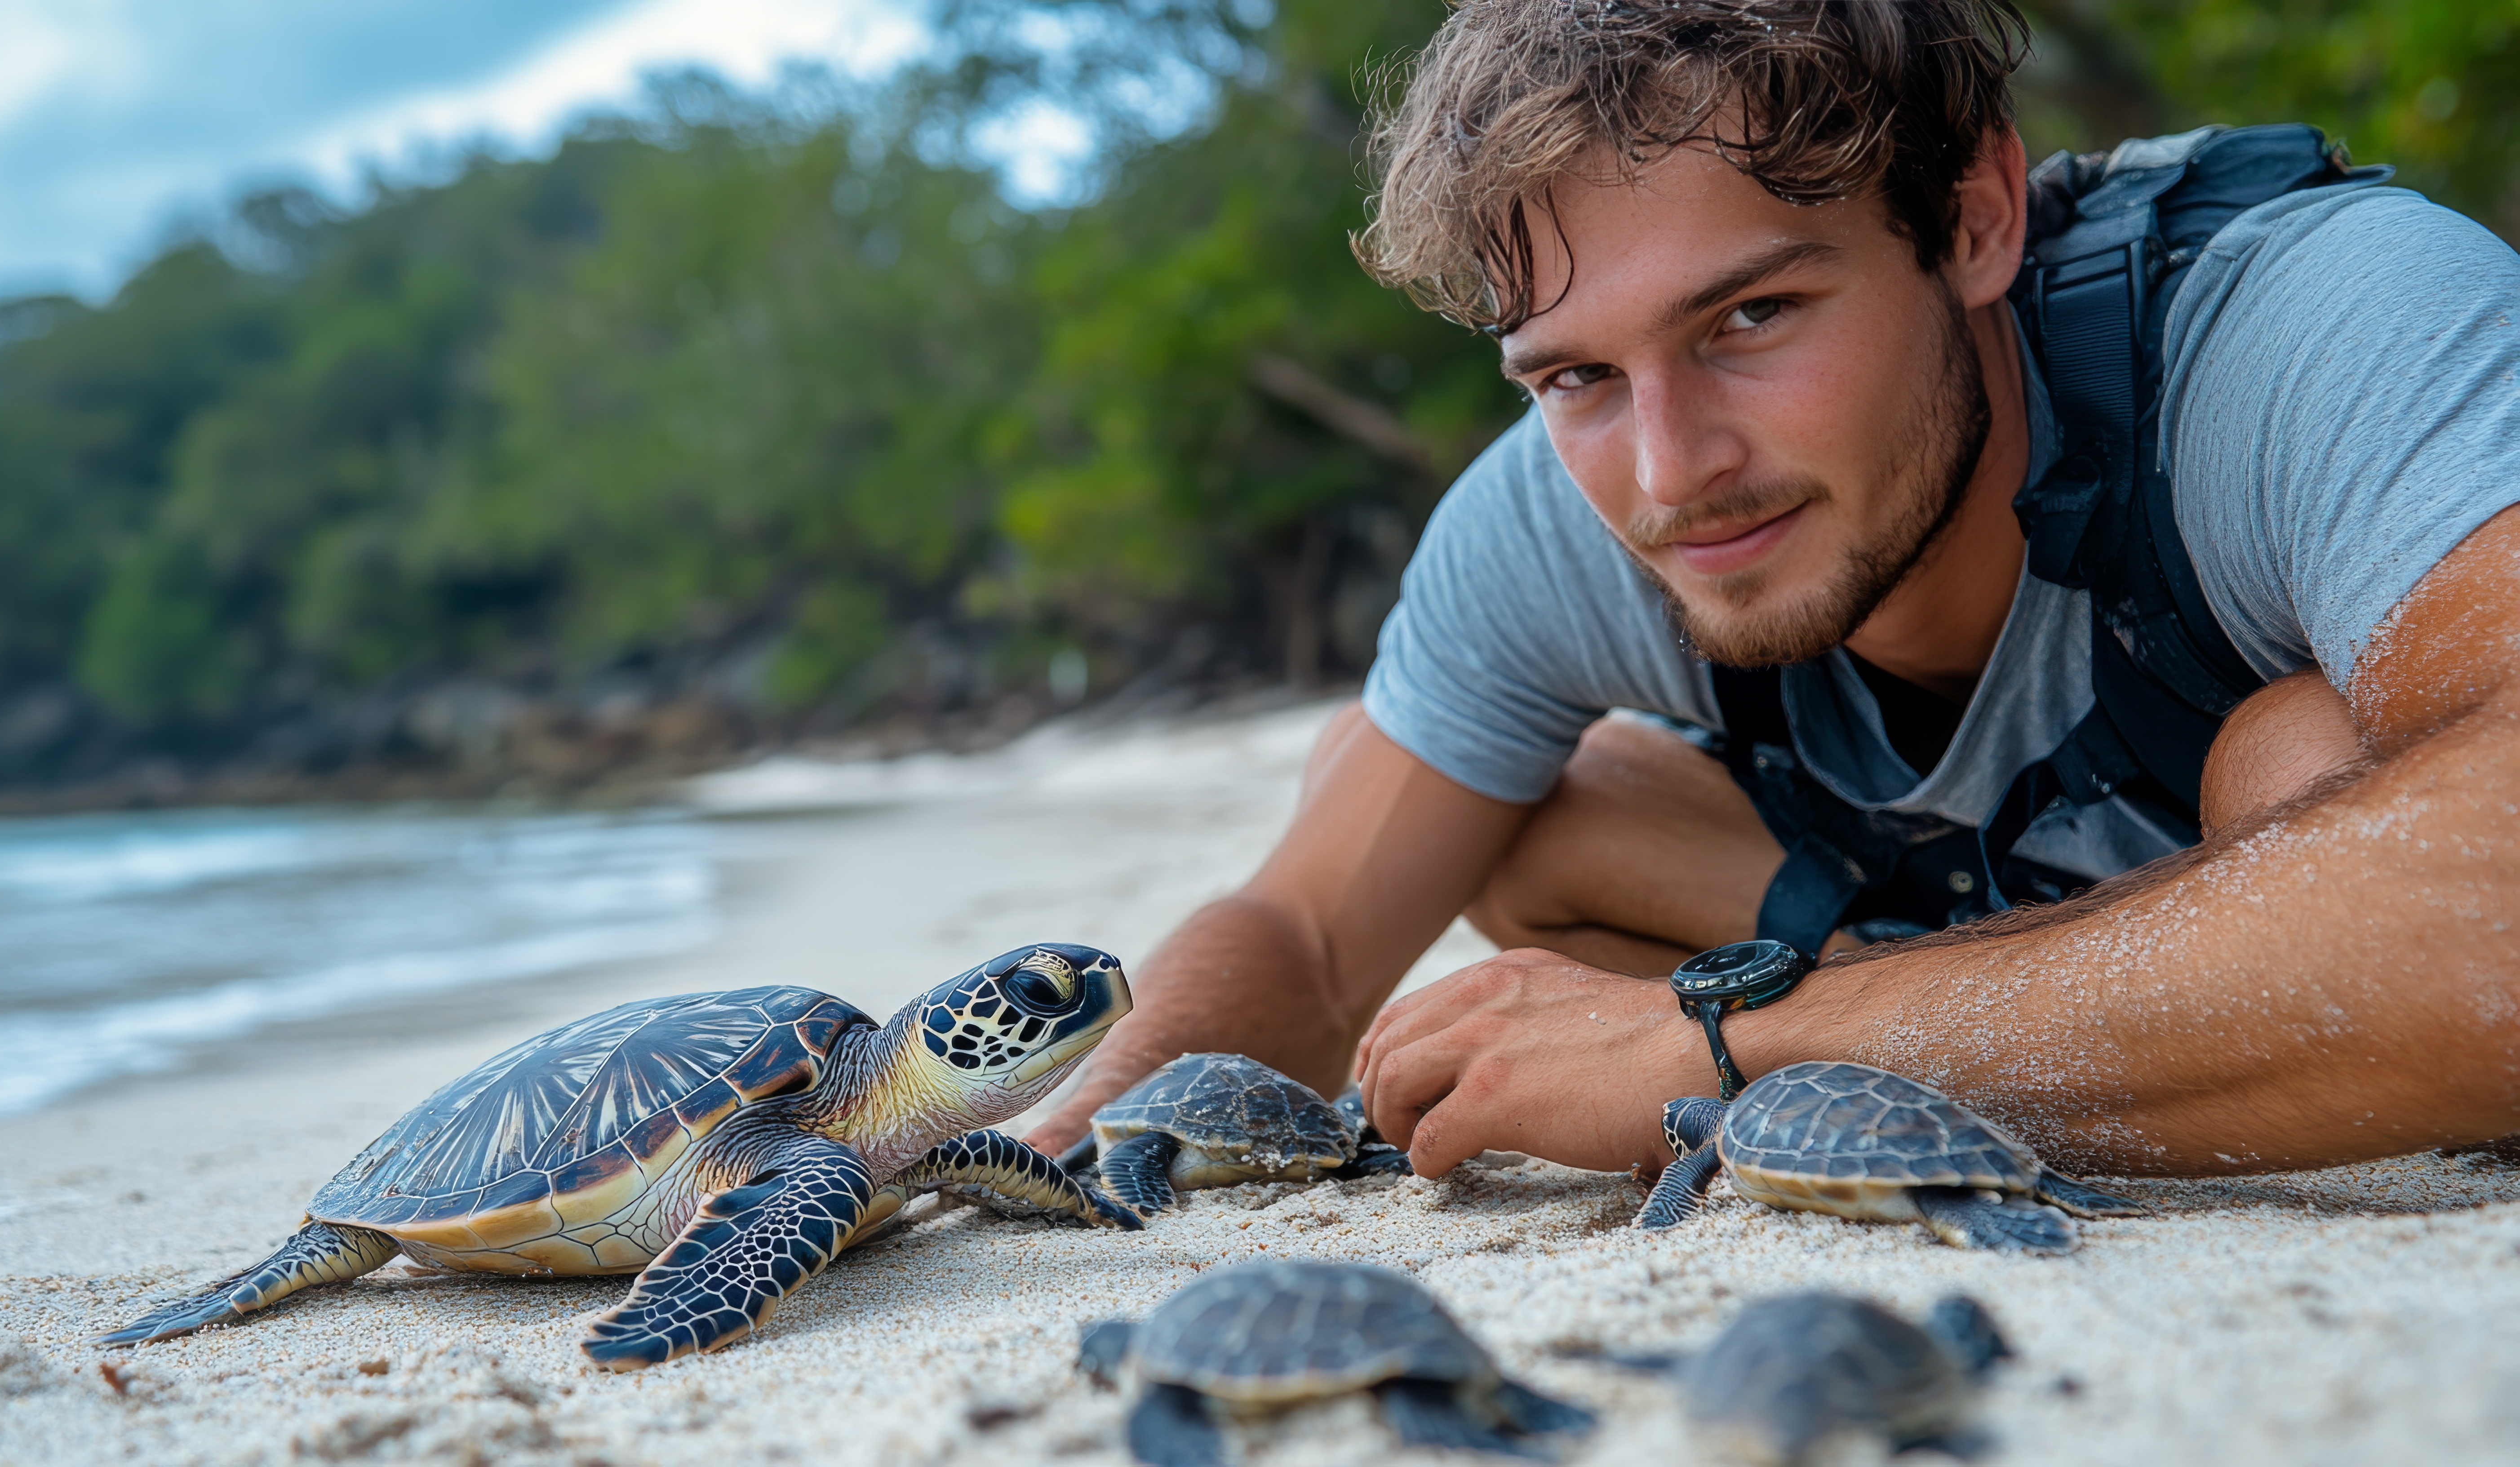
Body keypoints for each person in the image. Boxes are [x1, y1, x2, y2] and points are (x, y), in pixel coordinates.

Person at [1024, 0, 2520, 1181]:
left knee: (2299, 755)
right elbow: (1303, 937)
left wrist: (1730, 1047)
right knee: (1483, 799)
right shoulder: (1564, 508)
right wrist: (1026, 1150)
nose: (1672, 474)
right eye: (1578, 374)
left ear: (1977, 215)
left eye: (1753, 315)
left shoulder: (2316, 330)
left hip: (2316, 899)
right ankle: (1983, 1019)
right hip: (1977, 948)